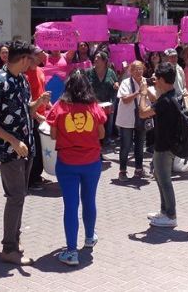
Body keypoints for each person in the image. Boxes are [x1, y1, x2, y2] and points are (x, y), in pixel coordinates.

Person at [0, 40, 51, 266]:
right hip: (8, 150)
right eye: (32, 58)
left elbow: (24, 111)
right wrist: (12, 140)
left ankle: (14, 240)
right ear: (23, 59)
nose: (35, 62)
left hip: (25, 146)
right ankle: (9, 248)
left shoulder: (21, 80)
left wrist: (37, 103)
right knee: (16, 197)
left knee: (19, 197)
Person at [46, 69, 107, 266]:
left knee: (71, 206)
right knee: (89, 200)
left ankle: (71, 251)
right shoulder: (94, 107)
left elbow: (53, 135)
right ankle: (89, 237)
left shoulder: (60, 106)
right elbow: (101, 134)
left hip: (67, 162)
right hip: (91, 162)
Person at [137, 62, 182, 228]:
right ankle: (165, 211)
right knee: (160, 178)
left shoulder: (166, 101)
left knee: (164, 181)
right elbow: (158, 103)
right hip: (166, 145)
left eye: (157, 78)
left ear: (163, 79)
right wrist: (147, 89)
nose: (154, 81)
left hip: (164, 147)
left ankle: (171, 215)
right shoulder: (171, 95)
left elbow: (143, 113)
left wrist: (142, 93)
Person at [115, 60, 156, 181]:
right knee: (126, 146)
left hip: (141, 119)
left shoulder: (146, 82)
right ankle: (122, 171)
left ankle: (139, 170)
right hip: (127, 119)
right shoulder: (126, 83)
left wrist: (146, 89)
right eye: (135, 69)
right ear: (131, 71)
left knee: (139, 145)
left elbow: (154, 99)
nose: (138, 71)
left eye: (140, 69)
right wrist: (138, 92)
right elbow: (125, 100)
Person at [26, 46, 51, 191]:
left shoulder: (41, 70)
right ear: (34, 56)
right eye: (42, 53)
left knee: (41, 148)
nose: (45, 55)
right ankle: (31, 179)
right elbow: (26, 101)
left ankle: (37, 176)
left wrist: (50, 107)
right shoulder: (26, 74)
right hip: (33, 116)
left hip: (42, 116)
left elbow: (42, 93)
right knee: (34, 149)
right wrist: (36, 115)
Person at [87, 51, 119, 148]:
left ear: (105, 61)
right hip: (93, 103)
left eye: (98, 58)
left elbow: (116, 82)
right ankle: (95, 142)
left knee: (107, 122)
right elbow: (85, 87)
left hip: (108, 103)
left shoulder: (111, 72)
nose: (95, 59)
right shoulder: (89, 72)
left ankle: (106, 141)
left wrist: (116, 85)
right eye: (95, 57)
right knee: (95, 123)